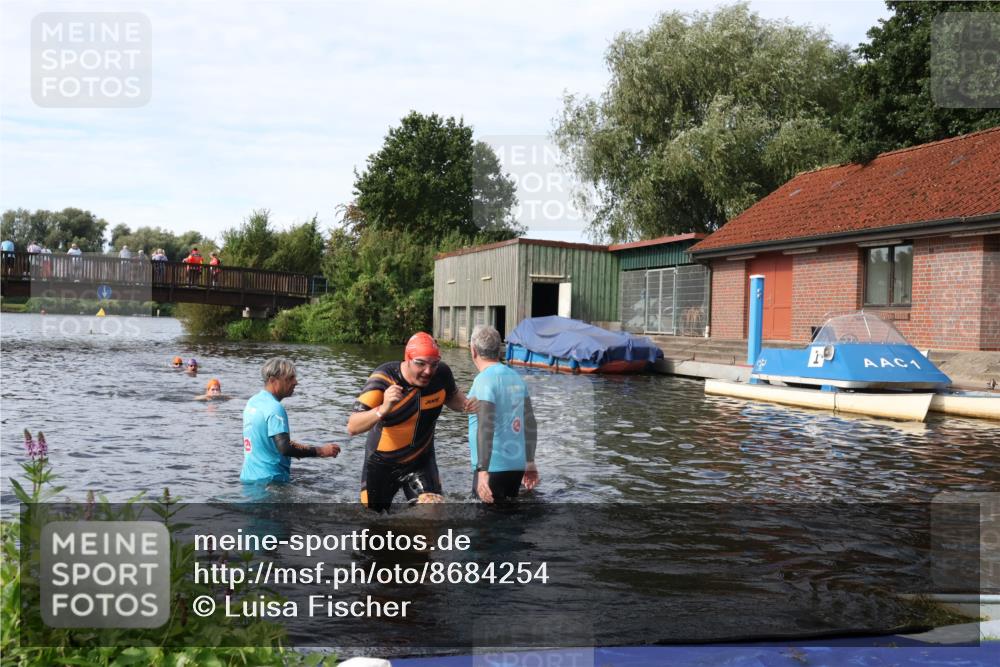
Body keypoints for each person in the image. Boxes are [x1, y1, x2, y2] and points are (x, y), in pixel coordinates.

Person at [347, 332, 475, 511]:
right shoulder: (384, 378)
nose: (428, 371)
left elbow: (453, 398)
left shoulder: (442, 374)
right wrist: (384, 408)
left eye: (434, 364)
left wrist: (471, 406)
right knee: (374, 520)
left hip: (421, 459)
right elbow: (353, 426)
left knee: (433, 510)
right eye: (420, 364)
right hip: (382, 462)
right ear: (407, 359)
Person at [467, 325, 538, 504]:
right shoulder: (516, 377)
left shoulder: (483, 380)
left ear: (473, 350)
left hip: (492, 468)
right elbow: (530, 423)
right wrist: (530, 462)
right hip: (516, 467)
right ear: (499, 349)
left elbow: (485, 425)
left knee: (485, 525)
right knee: (510, 521)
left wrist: (483, 471)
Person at [241, 357, 340, 485]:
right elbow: (285, 448)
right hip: (271, 481)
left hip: (248, 478)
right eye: (290, 378)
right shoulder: (275, 407)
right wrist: (321, 451)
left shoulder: (252, 402)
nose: (295, 382)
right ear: (272, 380)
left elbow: (263, 438)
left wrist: (300, 449)